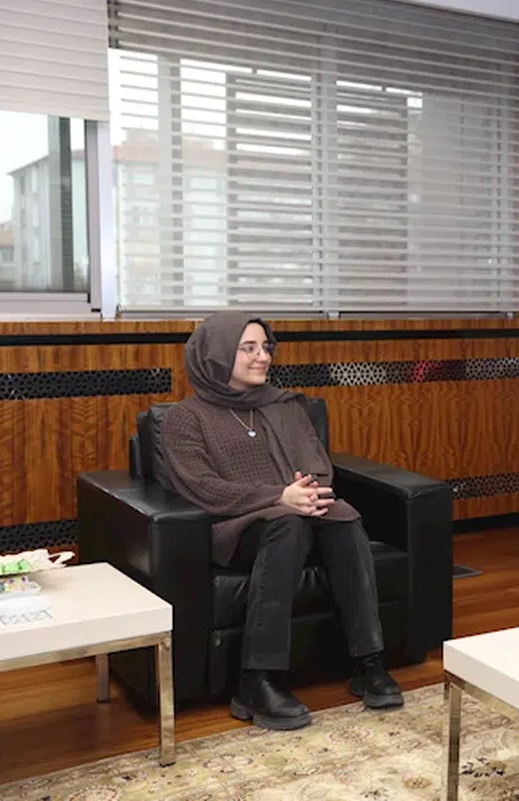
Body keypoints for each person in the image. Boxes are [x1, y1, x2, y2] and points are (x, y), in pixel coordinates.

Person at [161, 312, 403, 731]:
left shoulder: (286, 405)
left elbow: (318, 465)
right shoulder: (186, 417)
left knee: (344, 520)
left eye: (266, 347)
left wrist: (305, 493)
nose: (263, 357)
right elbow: (199, 486)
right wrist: (279, 497)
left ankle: (369, 662)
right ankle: (257, 679)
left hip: (299, 510)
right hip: (238, 524)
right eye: (248, 348)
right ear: (217, 354)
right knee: (286, 526)